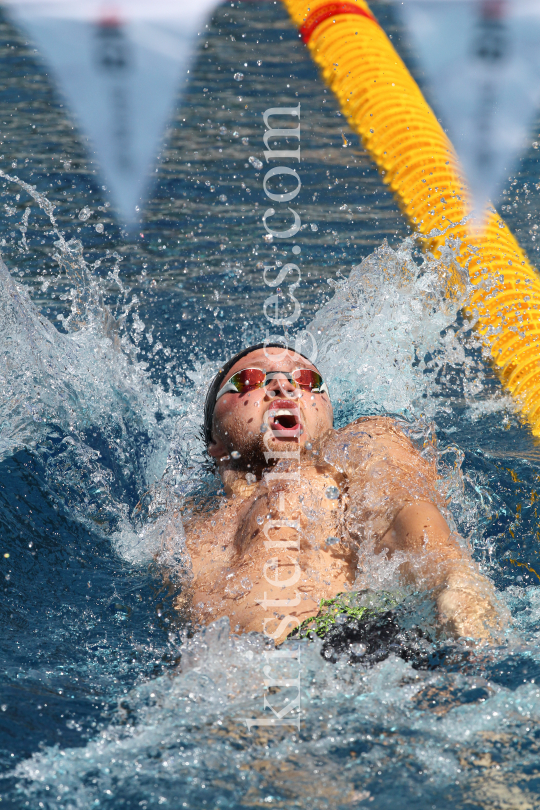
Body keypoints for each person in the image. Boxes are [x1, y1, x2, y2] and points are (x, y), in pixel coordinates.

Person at [165, 342, 505, 646]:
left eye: (307, 381)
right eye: (249, 381)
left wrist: (453, 582)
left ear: (327, 414)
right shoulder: (181, 526)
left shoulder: (362, 445)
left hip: (359, 639)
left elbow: (404, 510)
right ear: (214, 443)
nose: (282, 385)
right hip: (241, 676)